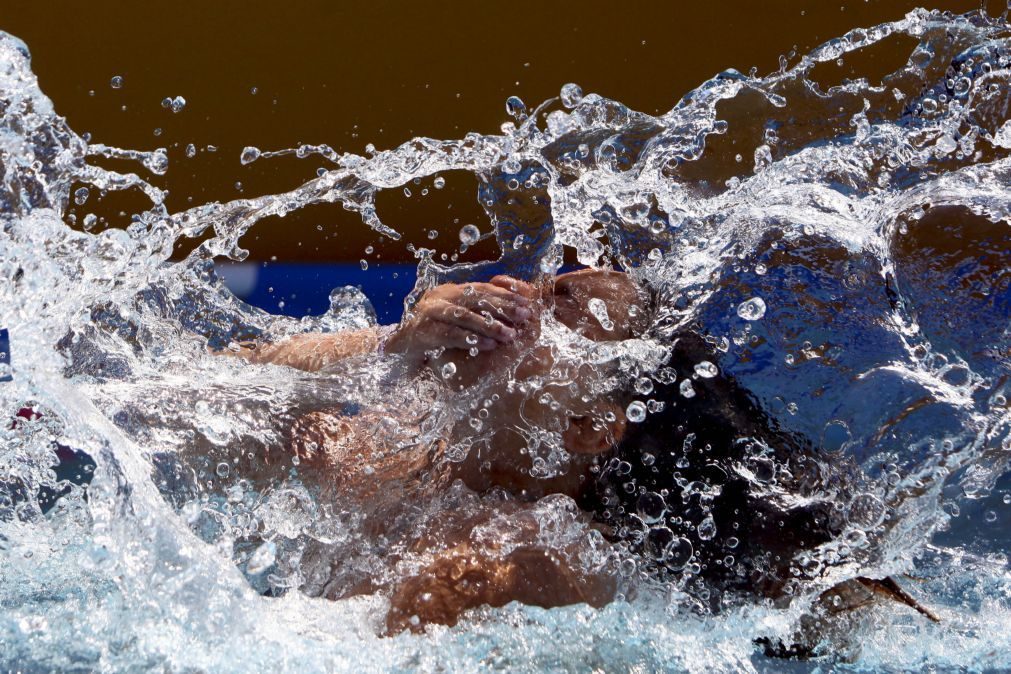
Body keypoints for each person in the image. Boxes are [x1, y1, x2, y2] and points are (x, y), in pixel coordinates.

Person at [223, 267, 932, 645]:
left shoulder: (528, 557)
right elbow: (214, 387)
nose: (505, 296)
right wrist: (395, 344)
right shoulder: (403, 451)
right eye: (532, 283)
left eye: (552, 307)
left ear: (590, 426)